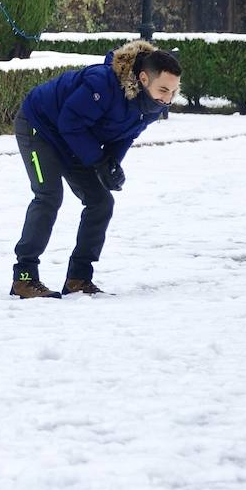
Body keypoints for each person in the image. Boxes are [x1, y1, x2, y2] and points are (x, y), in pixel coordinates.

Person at [10, 39, 182, 297]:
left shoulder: (152, 105)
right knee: (49, 195)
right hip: (40, 128)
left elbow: (126, 135)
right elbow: (69, 122)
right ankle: (24, 277)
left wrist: (111, 164)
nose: (168, 99)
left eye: (173, 92)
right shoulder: (103, 83)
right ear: (144, 78)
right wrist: (98, 161)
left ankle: (78, 278)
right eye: (164, 90)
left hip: (77, 140)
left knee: (101, 202)